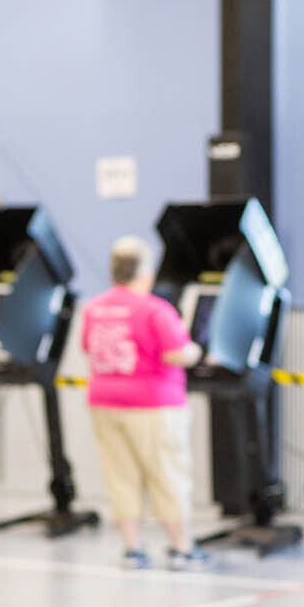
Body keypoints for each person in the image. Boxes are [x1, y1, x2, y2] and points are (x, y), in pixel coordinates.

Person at [80, 235, 209, 570]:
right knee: (167, 473)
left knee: (120, 476)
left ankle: (132, 548)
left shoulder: (94, 308)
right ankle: (181, 547)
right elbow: (177, 354)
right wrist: (198, 350)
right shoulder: (155, 310)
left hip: (105, 402)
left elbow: (88, 348)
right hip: (153, 405)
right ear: (145, 273)